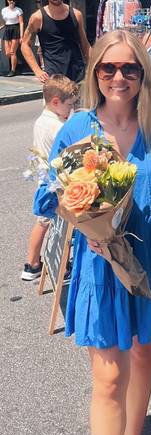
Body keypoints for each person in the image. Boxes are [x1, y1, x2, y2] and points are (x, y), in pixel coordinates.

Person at [33, 30, 151, 435]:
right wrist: (83, 214)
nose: (119, 77)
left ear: (143, 73)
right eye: (109, 68)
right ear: (95, 73)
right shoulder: (77, 128)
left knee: (145, 352)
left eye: (130, 67)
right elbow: (48, 196)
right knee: (109, 379)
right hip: (102, 269)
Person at [21, 75, 79, 281]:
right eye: (69, 105)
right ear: (56, 102)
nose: (70, 110)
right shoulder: (57, 127)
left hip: (45, 179)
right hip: (54, 183)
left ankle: (34, 263)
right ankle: (35, 265)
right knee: (51, 226)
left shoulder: (43, 119)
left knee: (45, 222)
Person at [21, 0, 90, 84]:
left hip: (78, 75)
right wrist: (37, 71)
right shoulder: (38, 17)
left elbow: (84, 43)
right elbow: (24, 44)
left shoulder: (76, 14)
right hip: (54, 78)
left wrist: (94, 67)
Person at [1, 0, 23, 77]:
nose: (12, 1)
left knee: (12, 52)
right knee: (7, 52)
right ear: (8, 1)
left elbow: (21, 22)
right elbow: (4, 22)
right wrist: (1, 27)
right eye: (10, 0)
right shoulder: (4, 10)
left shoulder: (18, 10)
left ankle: (13, 70)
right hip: (7, 29)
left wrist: (21, 35)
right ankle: (17, 62)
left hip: (15, 28)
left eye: (13, 0)